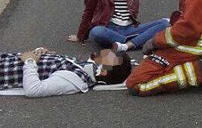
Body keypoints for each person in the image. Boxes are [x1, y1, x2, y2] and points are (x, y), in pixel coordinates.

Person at [0, 47, 131, 98]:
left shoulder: (76, 80)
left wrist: (30, 61)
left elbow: (33, 89)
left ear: (104, 72)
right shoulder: (85, 67)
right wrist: (40, 53)